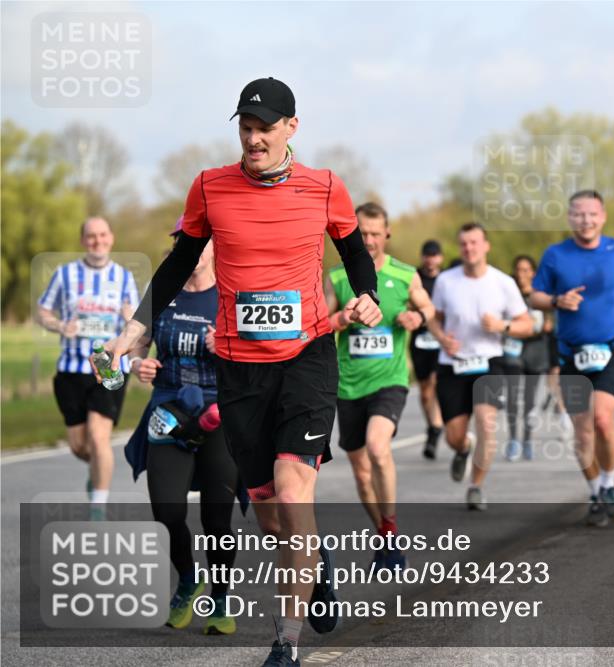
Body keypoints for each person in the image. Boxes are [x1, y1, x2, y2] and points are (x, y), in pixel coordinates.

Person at [98, 77, 381, 667]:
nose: (253, 138)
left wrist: (368, 294)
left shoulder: (326, 187)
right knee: (273, 513)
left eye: (265, 128)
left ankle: (286, 642)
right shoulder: (209, 187)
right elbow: (177, 265)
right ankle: (317, 565)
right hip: (238, 367)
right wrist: (133, 330)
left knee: (290, 487)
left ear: (291, 129)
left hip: (307, 355)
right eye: (246, 128)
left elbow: (353, 250)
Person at [124, 221, 240, 635]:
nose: (189, 249)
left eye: (198, 243)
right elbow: (135, 345)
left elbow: (255, 357)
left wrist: (226, 348)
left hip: (218, 414)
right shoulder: (162, 292)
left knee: (217, 521)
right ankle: (189, 579)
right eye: (182, 242)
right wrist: (138, 364)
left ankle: (222, 599)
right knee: (167, 511)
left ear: (214, 249)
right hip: (168, 411)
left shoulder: (230, 293)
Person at [529, 190, 614, 527]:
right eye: (579, 214)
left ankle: (610, 485)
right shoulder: (555, 255)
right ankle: (596, 491)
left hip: (612, 348)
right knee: (583, 433)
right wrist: (556, 301)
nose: (586, 220)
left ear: (603, 216)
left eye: (592, 214)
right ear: (570, 217)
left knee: (602, 420)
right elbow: (535, 294)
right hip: (571, 354)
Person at [325, 202, 434, 568]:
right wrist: (343, 317)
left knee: (377, 447)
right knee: (360, 469)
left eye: (374, 233)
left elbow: (429, 309)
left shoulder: (405, 275)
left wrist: (416, 317)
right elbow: (322, 323)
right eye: (362, 234)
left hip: (390, 379)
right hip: (348, 385)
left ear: (386, 234)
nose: (368, 240)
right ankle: (385, 537)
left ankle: (389, 527)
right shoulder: (338, 278)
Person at [424, 223, 533, 510]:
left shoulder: (502, 283)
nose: (469, 248)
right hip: (453, 365)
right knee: (454, 436)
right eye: (464, 244)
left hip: (489, 362)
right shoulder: (446, 281)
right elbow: (433, 317)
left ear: (486, 246)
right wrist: (441, 337)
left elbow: (528, 324)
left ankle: (476, 486)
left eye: (474, 242)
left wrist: (502, 325)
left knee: (487, 423)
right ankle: (463, 449)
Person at [37, 217, 139, 519]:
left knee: (98, 436)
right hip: (71, 369)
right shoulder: (65, 275)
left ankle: (98, 507)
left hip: (108, 367)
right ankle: (97, 476)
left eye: (102, 235)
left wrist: (128, 315)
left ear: (112, 238)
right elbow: (43, 311)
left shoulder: (123, 278)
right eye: (91, 236)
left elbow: (136, 324)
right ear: (83, 241)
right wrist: (59, 325)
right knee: (80, 445)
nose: (97, 241)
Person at [501, 255, 552, 462]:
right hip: (513, 350)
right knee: (513, 398)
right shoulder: (508, 293)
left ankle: (527, 440)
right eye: (519, 270)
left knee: (530, 401)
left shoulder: (541, 294)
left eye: (526, 270)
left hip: (537, 351)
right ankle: (513, 440)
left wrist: (546, 324)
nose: (522, 274)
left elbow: (550, 321)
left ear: (533, 272)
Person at [408, 240, 445, 459]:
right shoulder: (414, 278)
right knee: (425, 390)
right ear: (423, 257)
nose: (430, 259)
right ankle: (433, 426)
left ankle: (437, 425)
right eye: (427, 255)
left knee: (435, 383)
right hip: (420, 340)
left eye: (434, 255)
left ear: (439, 258)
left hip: (440, 341)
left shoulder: (446, 279)